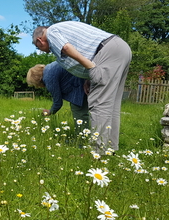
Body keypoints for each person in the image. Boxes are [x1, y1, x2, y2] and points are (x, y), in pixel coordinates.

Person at [32, 21, 132, 154]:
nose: (42, 51)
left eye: (39, 48)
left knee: (99, 105)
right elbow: (86, 51)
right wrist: (88, 78)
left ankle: (98, 154)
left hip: (107, 52)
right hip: (120, 48)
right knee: (112, 106)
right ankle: (110, 149)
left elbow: (67, 48)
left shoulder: (51, 33)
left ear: (39, 40)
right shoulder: (61, 30)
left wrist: (91, 67)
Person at [26, 61, 89, 132]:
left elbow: (58, 102)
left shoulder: (48, 78)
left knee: (80, 116)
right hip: (84, 78)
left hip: (79, 86)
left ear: (36, 79)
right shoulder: (49, 67)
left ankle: (83, 139)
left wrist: (50, 112)